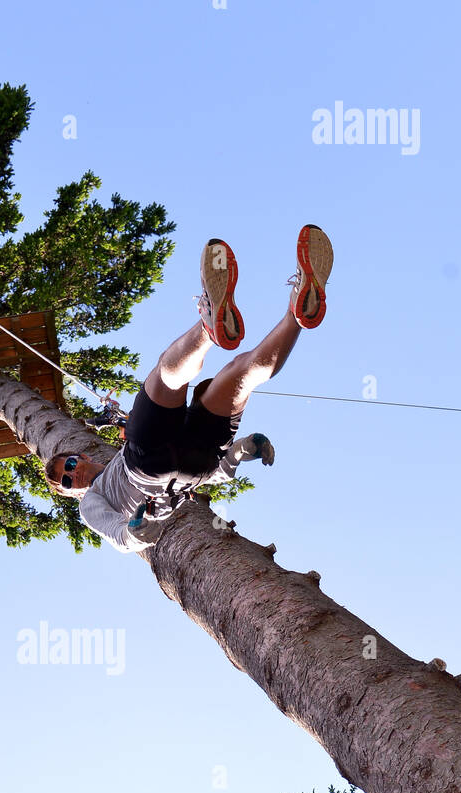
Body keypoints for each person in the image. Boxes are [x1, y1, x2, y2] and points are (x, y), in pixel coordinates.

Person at [43, 225, 333, 552]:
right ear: (72, 493)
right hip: (154, 465)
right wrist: (135, 534)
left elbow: (207, 476)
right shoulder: (91, 502)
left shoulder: (114, 466)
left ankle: (298, 311)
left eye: (68, 467)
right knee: (167, 376)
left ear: (80, 456)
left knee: (241, 373)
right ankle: (209, 325)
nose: (72, 476)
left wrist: (240, 450)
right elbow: (116, 533)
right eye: (66, 482)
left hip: (190, 464)